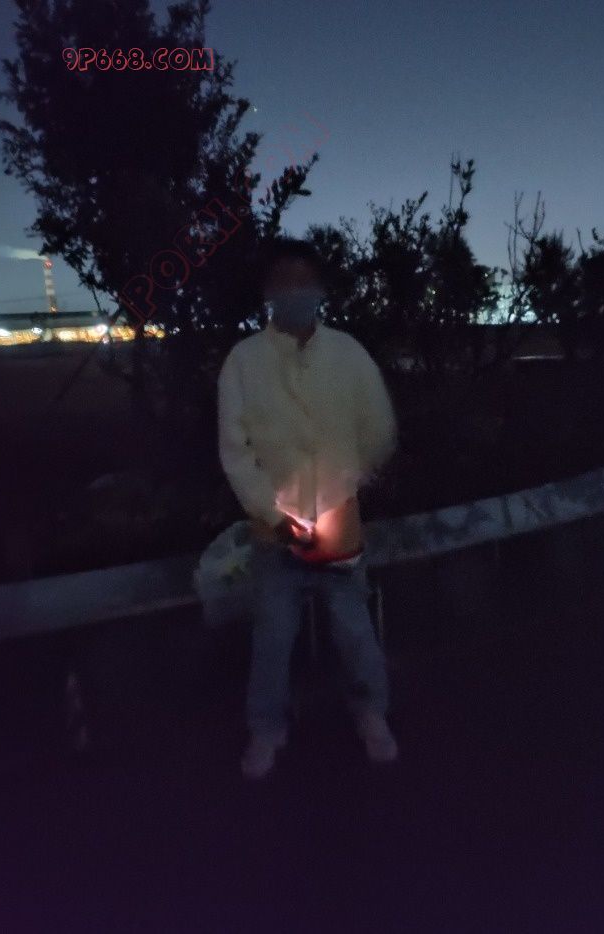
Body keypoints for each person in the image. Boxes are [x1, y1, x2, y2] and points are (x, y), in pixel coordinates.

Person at [217, 237, 399, 779]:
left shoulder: (348, 353)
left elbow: (377, 426)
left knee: (355, 629)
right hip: (274, 528)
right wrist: (272, 514)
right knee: (273, 636)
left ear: (319, 288)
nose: (295, 291)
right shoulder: (244, 361)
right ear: (268, 291)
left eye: (304, 280)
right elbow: (235, 450)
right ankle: (266, 727)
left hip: (339, 523)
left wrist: (351, 481)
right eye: (284, 281)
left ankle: (371, 711)